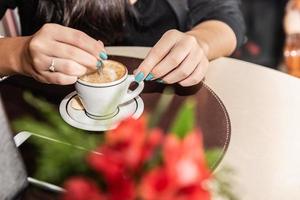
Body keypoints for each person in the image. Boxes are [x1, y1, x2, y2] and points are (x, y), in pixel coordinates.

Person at [0, 0, 245, 86]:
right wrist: (19, 54)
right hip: (48, 131)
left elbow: (226, 19)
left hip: (158, 128)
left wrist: (199, 44)